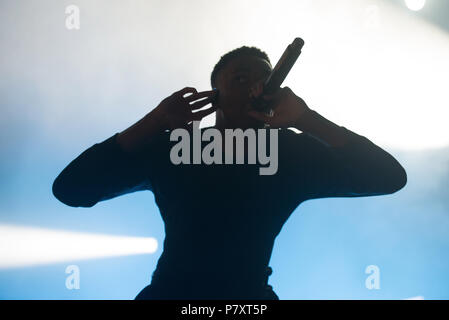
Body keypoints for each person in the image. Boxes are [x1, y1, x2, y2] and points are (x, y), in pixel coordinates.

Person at [52, 46, 407, 300]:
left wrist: (306, 119)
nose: (256, 87)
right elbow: (72, 189)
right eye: (240, 78)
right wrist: (154, 122)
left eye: (265, 80)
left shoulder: (292, 152)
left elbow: (388, 177)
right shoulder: (177, 149)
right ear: (215, 96)